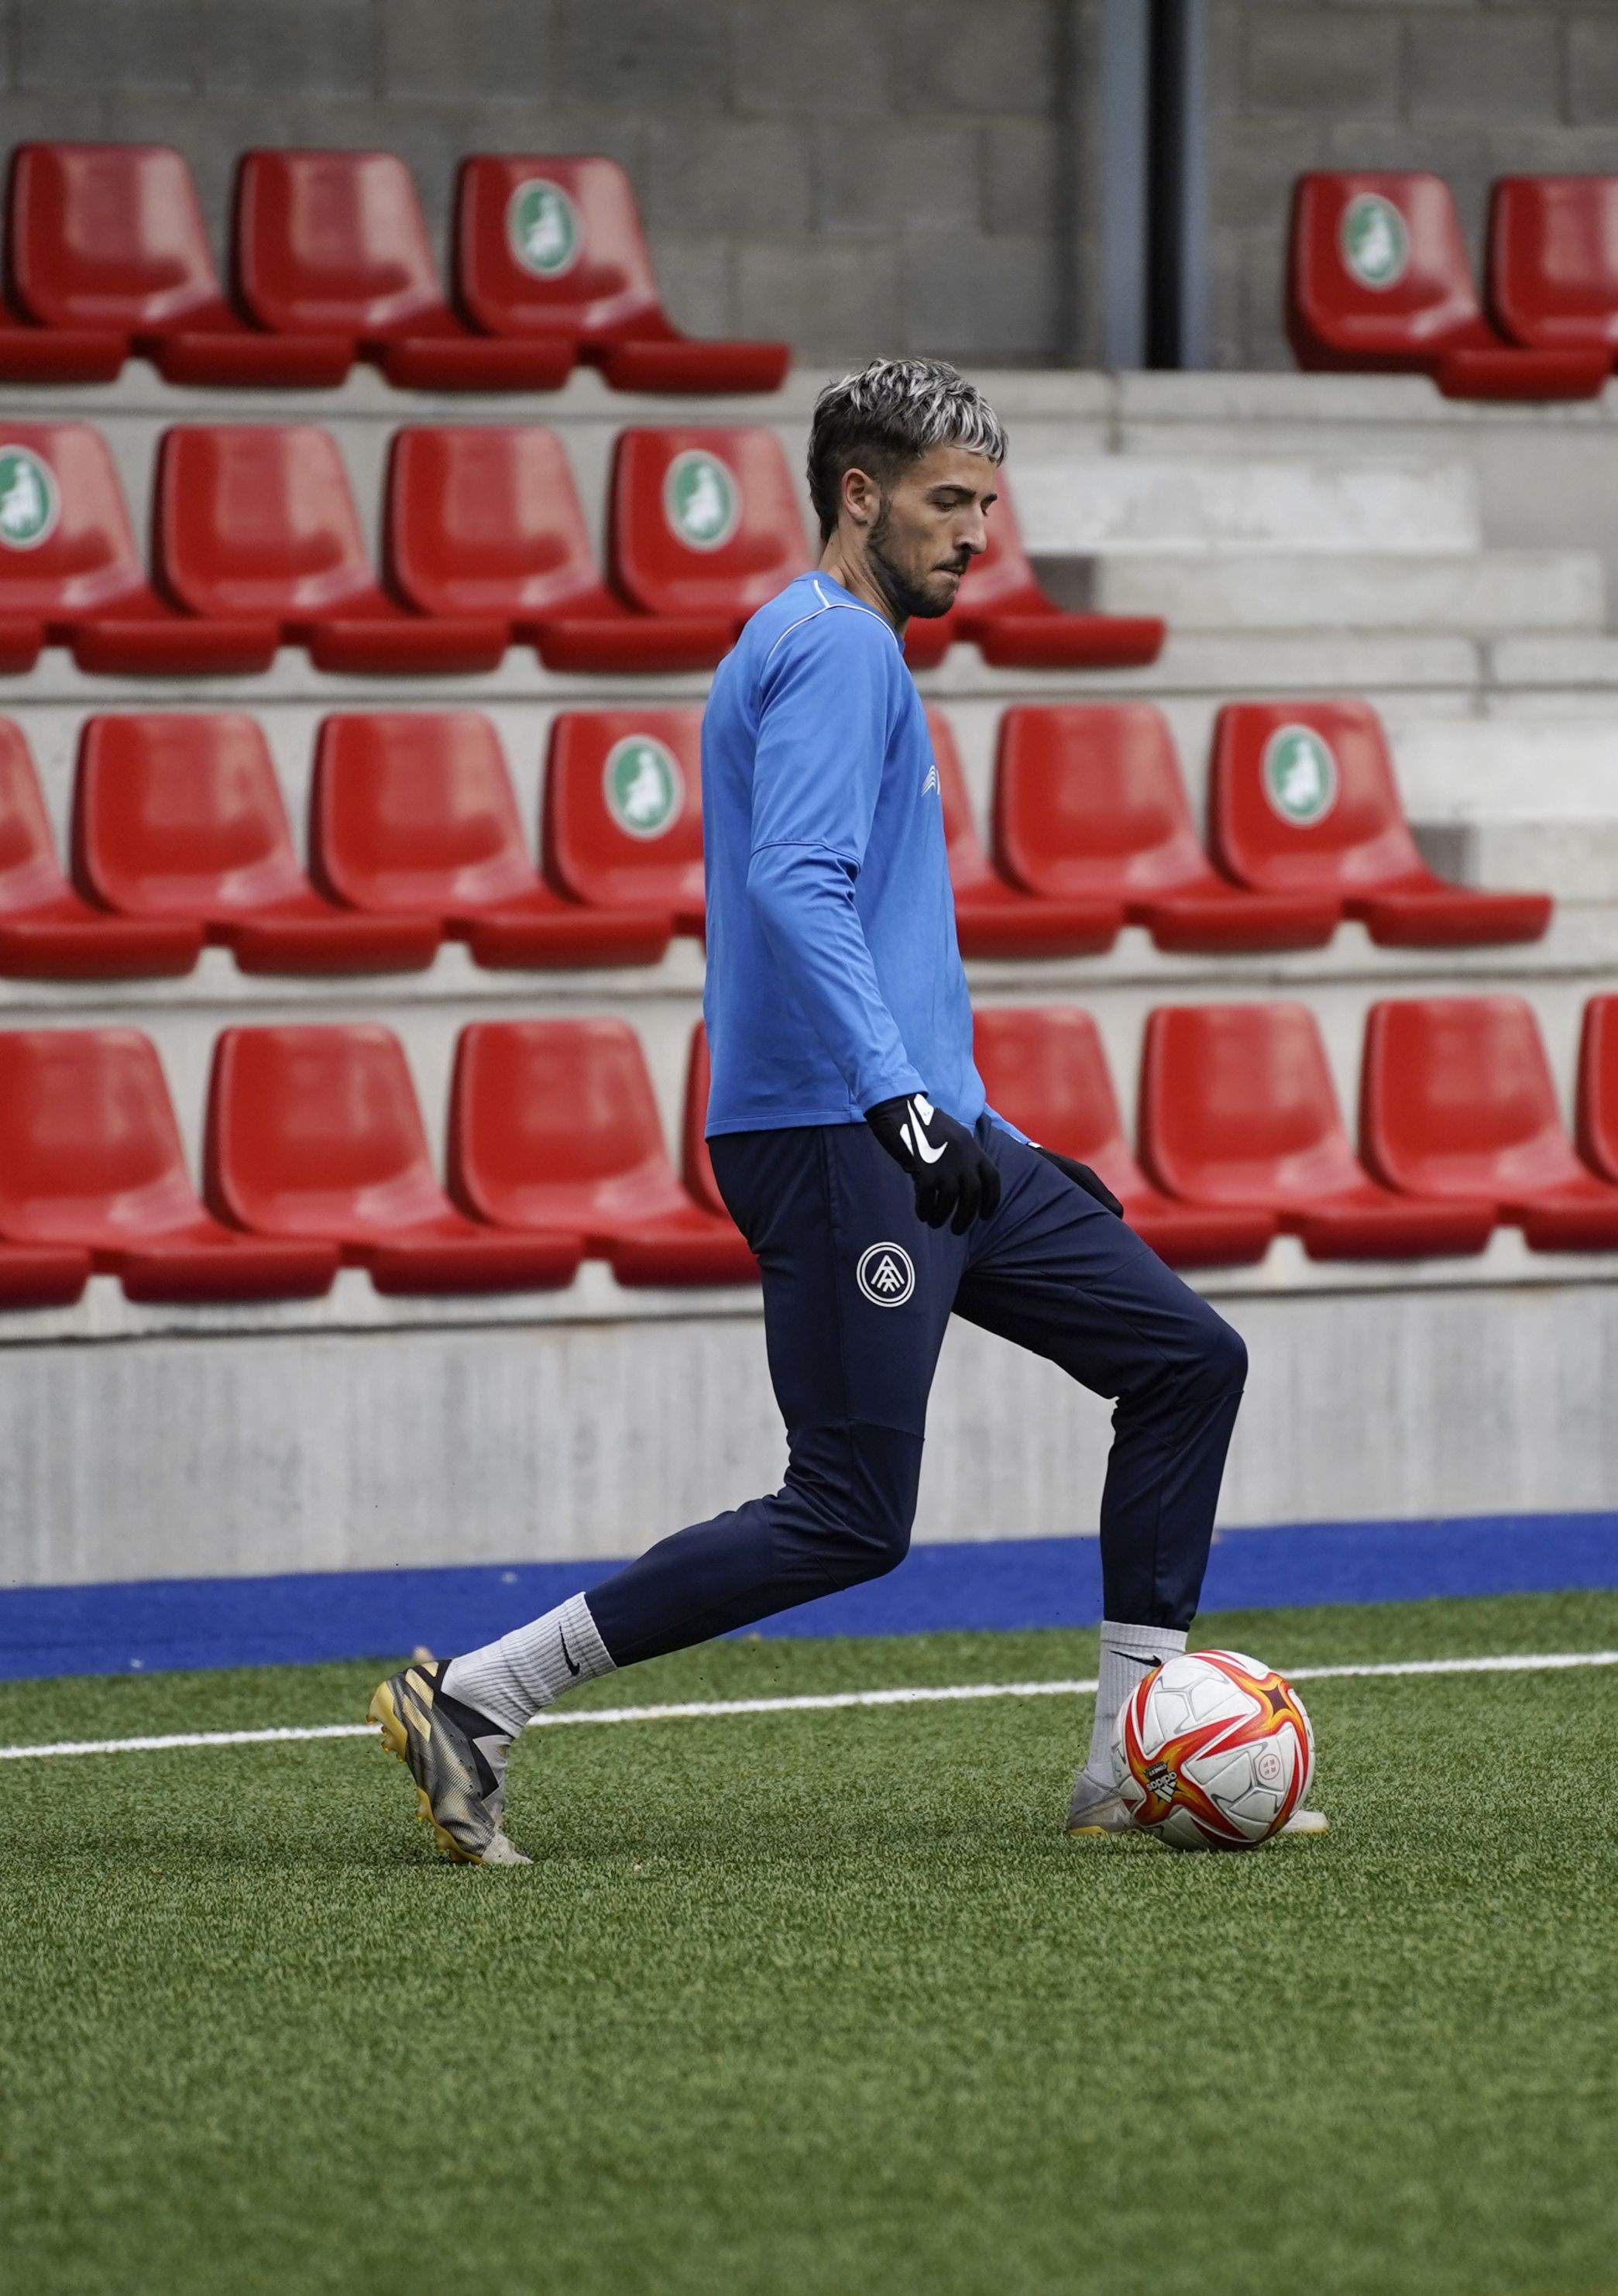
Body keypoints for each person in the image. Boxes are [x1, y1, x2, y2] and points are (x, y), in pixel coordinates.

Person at [369, 360, 1287, 1863]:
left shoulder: (842, 647)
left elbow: (876, 935)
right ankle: (477, 1697)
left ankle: (1130, 1757)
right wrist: (902, 1112)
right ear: (857, 495)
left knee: (1185, 1359)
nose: (976, 534)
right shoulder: (838, 650)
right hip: (840, 1134)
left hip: (923, 1126)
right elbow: (796, 888)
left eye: (988, 505)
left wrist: (987, 1134)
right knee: (853, 1514)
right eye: (946, 502)